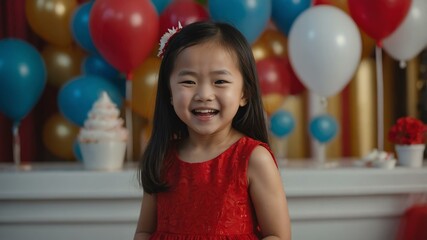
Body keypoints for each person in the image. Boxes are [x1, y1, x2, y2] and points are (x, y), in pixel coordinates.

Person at [134, 21, 291, 240]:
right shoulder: (162, 157)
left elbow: (277, 235)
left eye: (219, 81)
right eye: (188, 81)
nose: (204, 94)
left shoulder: (254, 159)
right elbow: (144, 231)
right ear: (169, 92)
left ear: (244, 93)